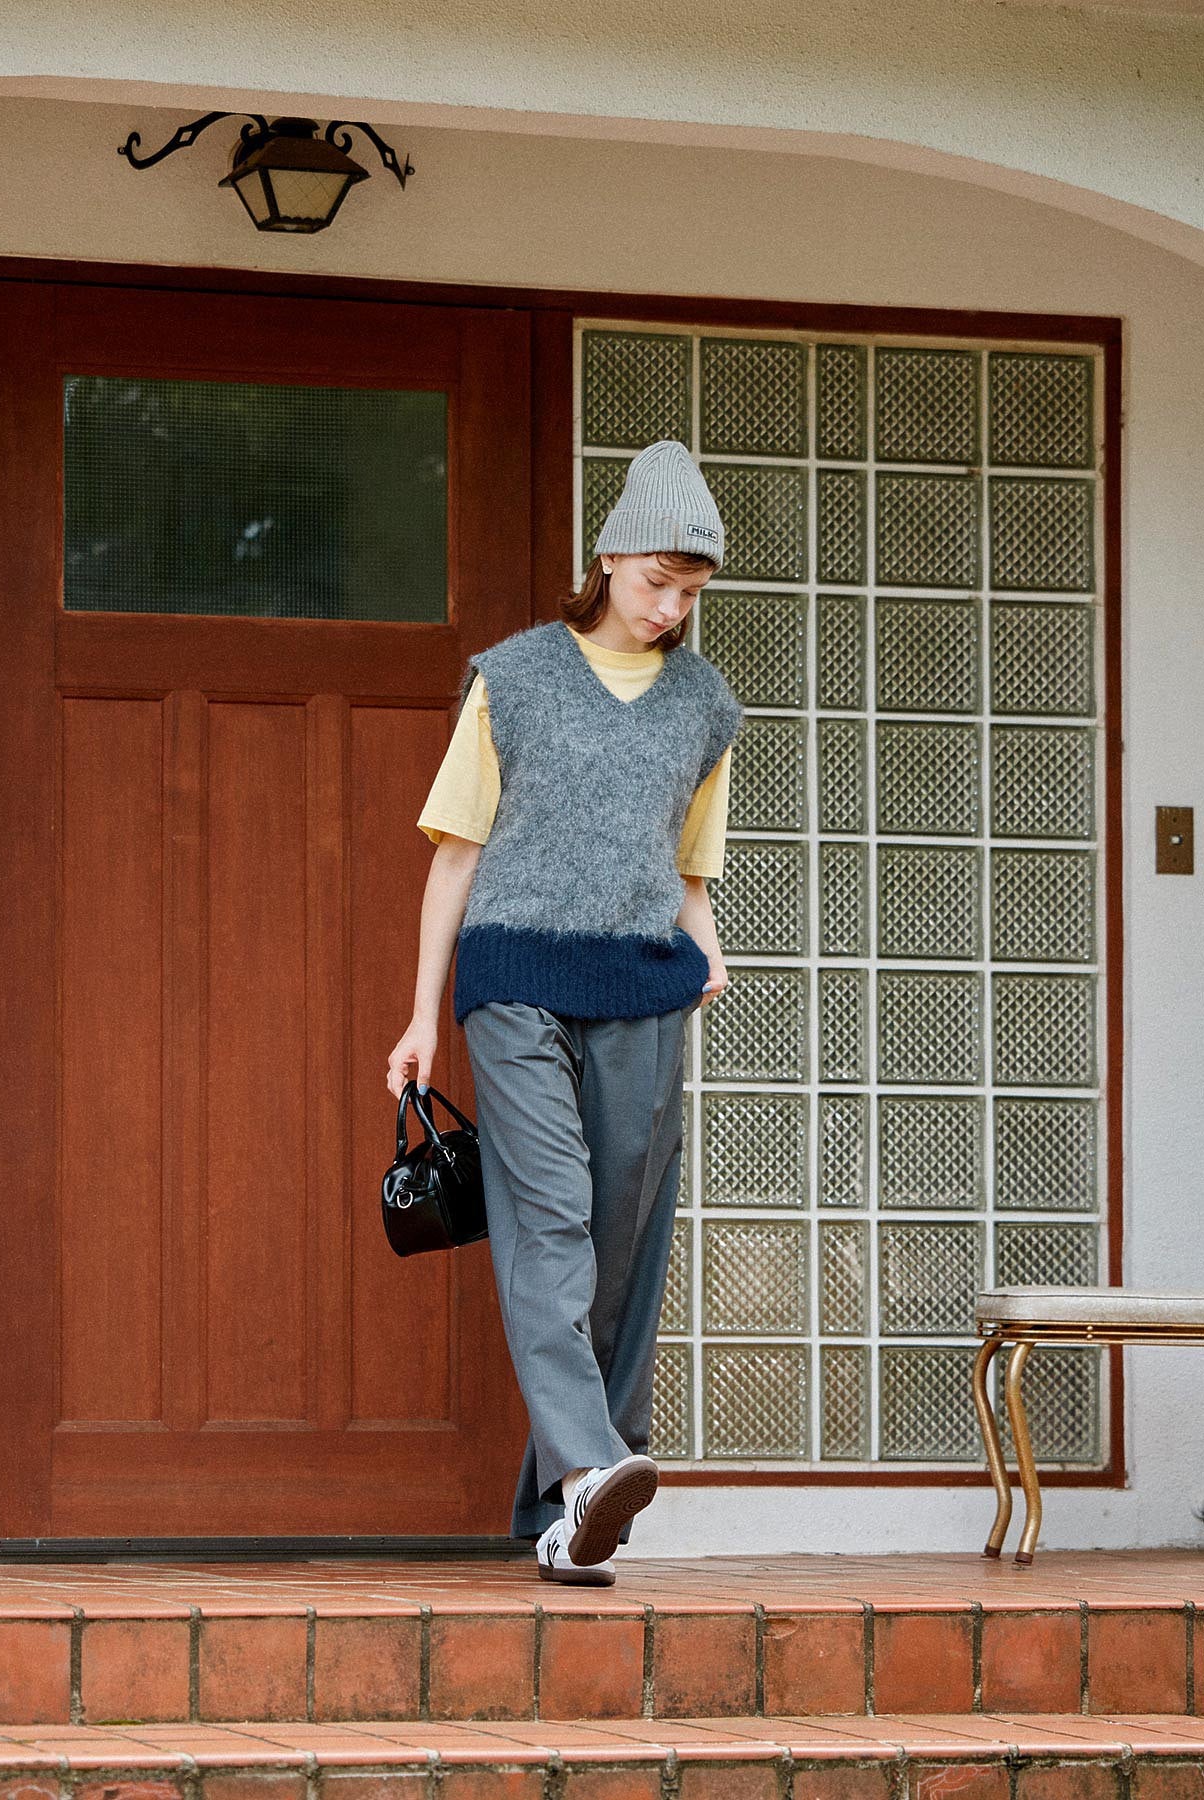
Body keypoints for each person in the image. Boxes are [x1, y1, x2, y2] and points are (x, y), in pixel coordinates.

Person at [385, 439, 743, 1586]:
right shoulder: (517, 676)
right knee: (552, 1220)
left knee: (628, 1244)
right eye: (655, 584)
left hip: (643, 982)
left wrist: (709, 951)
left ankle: (571, 1509)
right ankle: (591, 1468)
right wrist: (421, 1018)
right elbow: (455, 859)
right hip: (516, 975)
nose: (669, 610)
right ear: (607, 558)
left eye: (690, 593)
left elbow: (688, 868)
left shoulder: (705, 704)